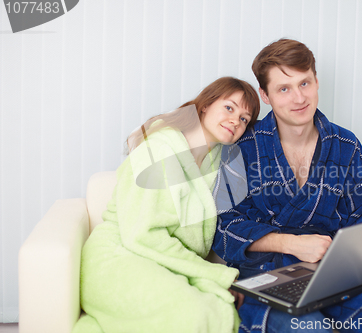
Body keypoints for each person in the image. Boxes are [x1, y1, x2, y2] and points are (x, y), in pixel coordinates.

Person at [213, 39, 362, 333]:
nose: (298, 98)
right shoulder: (242, 148)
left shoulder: (346, 146)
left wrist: (339, 263)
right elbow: (224, 228)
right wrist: (290, 243)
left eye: (304, 84)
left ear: (316, 82)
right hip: (266, 278)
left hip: (330, 278)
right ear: (265, 95)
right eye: (283, 89)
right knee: (307, 327)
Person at [72, 77, 260, 333]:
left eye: (244, 119)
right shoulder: (159, 148)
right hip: (121, 255)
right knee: (192, 313)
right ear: (205, 105)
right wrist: (216, 274)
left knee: (222, 308)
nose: (236, 121)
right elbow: (142, 233)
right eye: (229, 108)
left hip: (165, 261)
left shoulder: (219, 165)